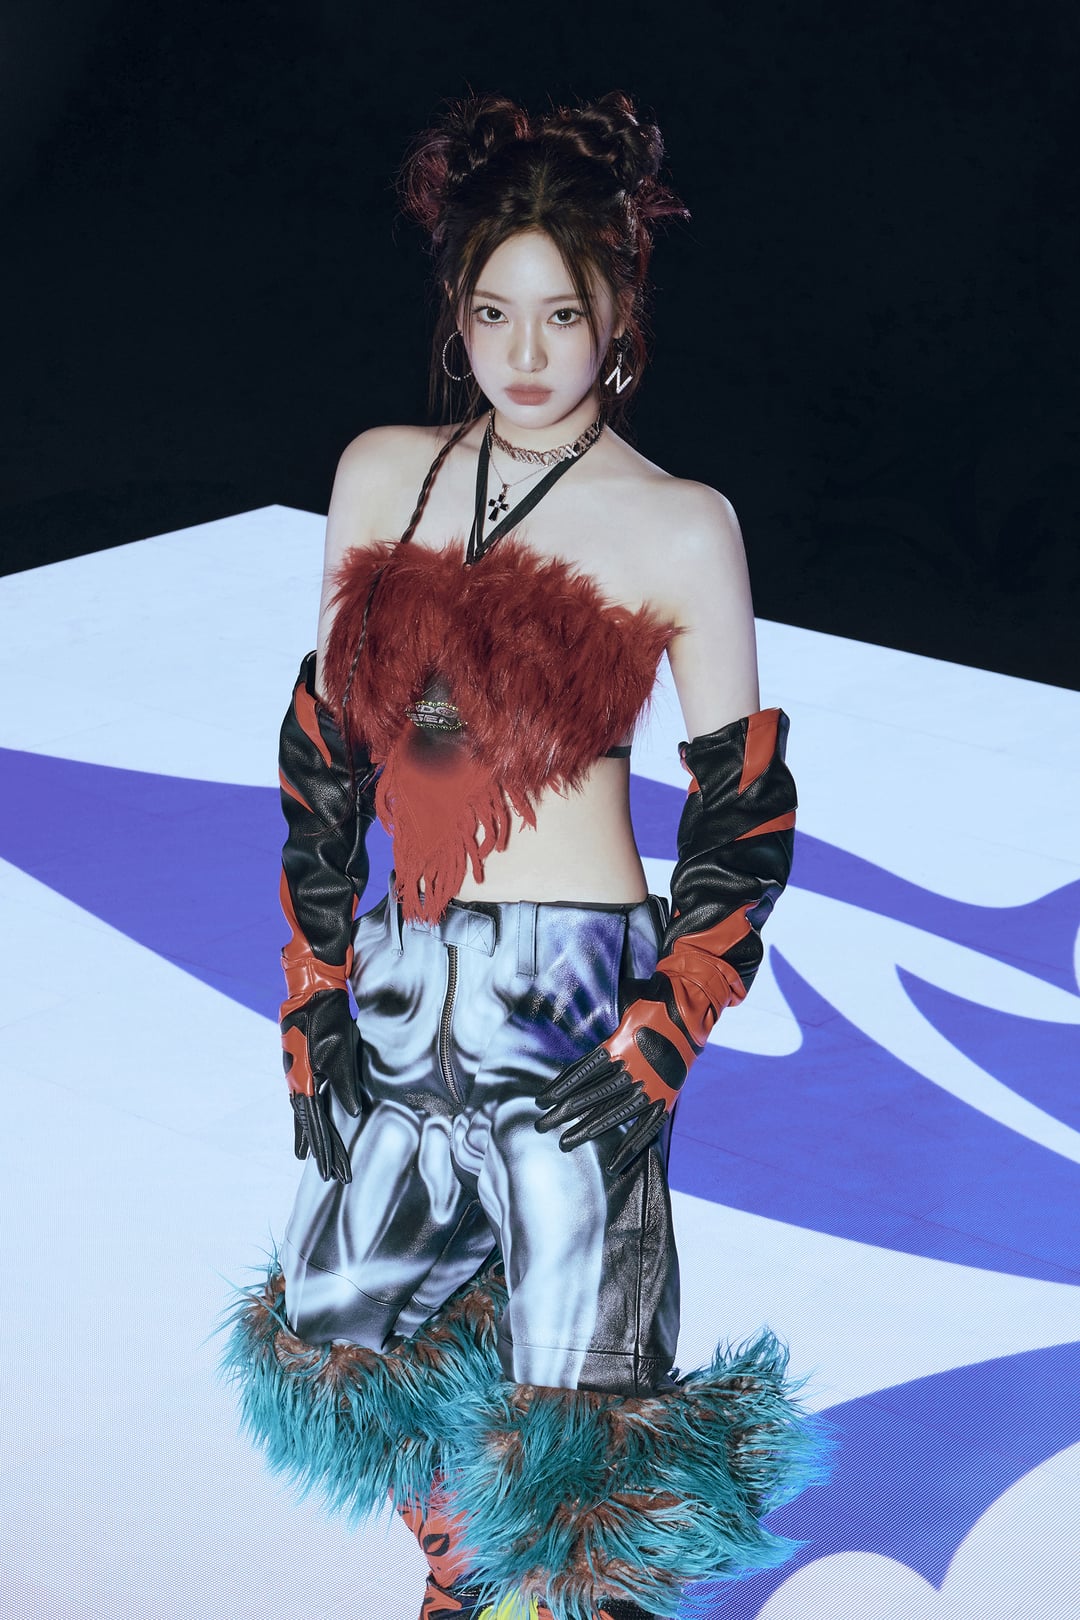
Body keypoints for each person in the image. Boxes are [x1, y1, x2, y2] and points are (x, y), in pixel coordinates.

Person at [223, 91, 827, 1620]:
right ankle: (460, 1585)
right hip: (403, 974)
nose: (527, 351)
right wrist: (314, 984)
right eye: (495, 313)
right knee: (353, 1333)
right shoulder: (384, 475)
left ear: (619, 315)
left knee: (582, 1400)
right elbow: (324, 756)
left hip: (574, 990)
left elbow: (742, 811)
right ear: (458, 312)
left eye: (561, 313)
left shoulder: (678, 524)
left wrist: (668, 1024)